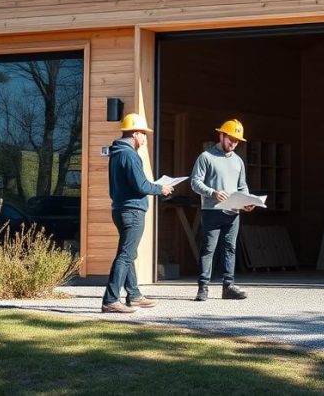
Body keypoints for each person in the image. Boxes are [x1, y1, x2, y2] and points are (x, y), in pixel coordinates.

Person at [101, 113, 174, 313]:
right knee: (125, 255)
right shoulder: (130, 155)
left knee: (128, 253)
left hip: (120, 209)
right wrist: (162, 189)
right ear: (136, 133)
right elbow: (141, 185)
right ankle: (110, 299)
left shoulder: (116, 153)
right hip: (132, 211)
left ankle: (133, 295)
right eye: (144, 134)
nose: (145, 139)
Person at [190, 119, 254, 301]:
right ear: (221, 135)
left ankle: (229, 286)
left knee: (230, 249)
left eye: (237, 140)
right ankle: (203, 287)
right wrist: (212, 192)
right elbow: (195, 182)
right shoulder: (206, 157)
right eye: (231, 139)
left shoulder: (238, 161)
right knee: (208, 249)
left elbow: (242, 186)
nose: (233, 143)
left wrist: (247, 201)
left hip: (233, 212)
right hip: (211, 211)